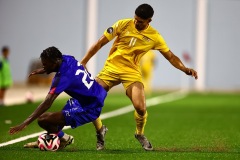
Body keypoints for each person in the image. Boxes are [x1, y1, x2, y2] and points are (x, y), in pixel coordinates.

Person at [80, 3, 198, 151]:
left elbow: (171, 56)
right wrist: (84, 61)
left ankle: (139, 134)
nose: (136, 22)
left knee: (141, 108)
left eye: (140, 21)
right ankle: (100, 131)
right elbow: (100, 43)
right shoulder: (122, 24)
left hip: (131, 72)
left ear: (149, 21)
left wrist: (185, 69)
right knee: (91, 99)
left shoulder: (154, 36)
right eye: (135, 19)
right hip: (111, 69)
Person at [9, 46, 108, 150]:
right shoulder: (67, 58)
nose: (44, 67)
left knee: (43, 120)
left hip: (89, 107)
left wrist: (25, 123)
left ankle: (64, 139)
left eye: (45, 65)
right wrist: (43, 70)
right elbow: (61, 66)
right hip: (93, 94)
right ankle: (54, 140)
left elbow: (47, 103)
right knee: (55, 122)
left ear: (55, 62)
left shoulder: (62, 77)